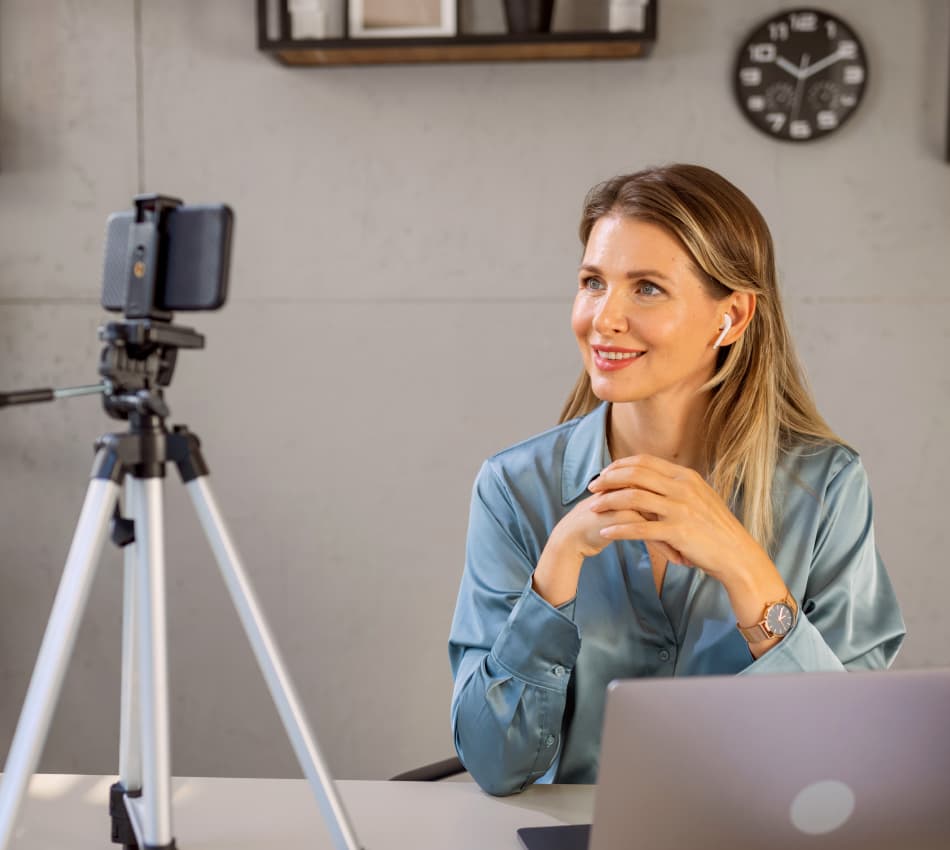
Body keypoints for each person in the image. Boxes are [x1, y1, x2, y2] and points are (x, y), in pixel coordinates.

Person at [447, 163, 906, 797]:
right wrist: (556, 569)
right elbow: (494, 765)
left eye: (647, 289)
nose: (603, 318)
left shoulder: (823, 487)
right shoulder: (513, 489)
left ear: (733, 317)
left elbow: (852, 757)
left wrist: (746, 569)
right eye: (592, 282)